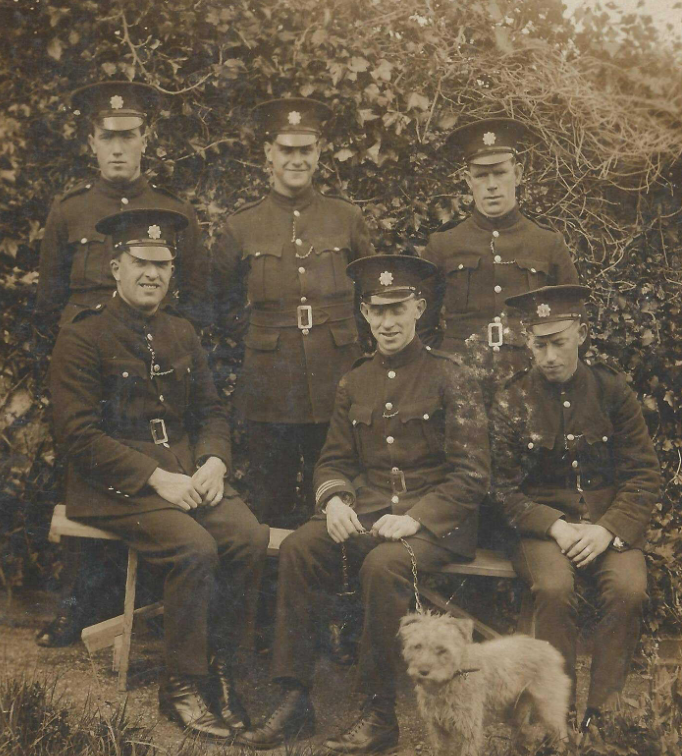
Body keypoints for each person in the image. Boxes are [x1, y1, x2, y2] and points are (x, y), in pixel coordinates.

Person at [236, 254, 490, 753]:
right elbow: (333, 460)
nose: (388, 322)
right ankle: (293, 699)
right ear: (365, 313)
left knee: (381, 566)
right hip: (370, 512)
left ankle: (378, 714)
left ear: (419, 309)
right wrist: (335, 501)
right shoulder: (355, 379)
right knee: (300, 548)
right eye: (378, 311)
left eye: (398, 310)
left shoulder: (450, 376)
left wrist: (416, 518)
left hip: (436, 526)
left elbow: (473, 475)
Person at [48, 208, 269, 739]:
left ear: (173, 270)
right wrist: (156, 477)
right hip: (113, 486)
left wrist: (214, 461)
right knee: (194, 548)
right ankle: (183, 686)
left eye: (163, 264)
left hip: (184, 475)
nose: (152, 274)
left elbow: (211, 411)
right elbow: (78, 437)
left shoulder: (181, 331)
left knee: (247, 535)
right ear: (116, 267)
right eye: (140, 263)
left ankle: (222, 672)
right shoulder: (83, 336)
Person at [35, 80, 211, 648]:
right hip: (89, 371)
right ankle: (75, 609)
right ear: (92, 141)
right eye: (107, 136)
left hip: (152, 371)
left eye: (128, 136)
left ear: (145, 139)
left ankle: (145, 613)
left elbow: (194, 302)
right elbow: (49, 302)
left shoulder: (174, 213)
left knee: (154, 485)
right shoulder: (69, 213)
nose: (118, 147)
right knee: (86, 478)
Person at [489, 285, 660, 734]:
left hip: (608, 523)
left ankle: (603, 717)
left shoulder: (611, 390)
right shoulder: (512, 399)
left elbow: (643, 474)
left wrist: (608, 529)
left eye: (559, 342)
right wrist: (555, 526)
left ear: (581, 334)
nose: (549, 356)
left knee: (628, 589)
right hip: (541, 529)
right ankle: (555, 718)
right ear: (527, 342)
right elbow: (500, 489)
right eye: (539, 344)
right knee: (553, 588)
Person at [211, 97, 374, 527]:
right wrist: (259, 335)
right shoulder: (242, 225)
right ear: (269, 152)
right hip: (270, 390)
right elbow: (217, 300)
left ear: (319, 152)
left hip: (337, 382)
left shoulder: (346, 218)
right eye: (287, 149)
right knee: (271, 506)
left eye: (306, 149)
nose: (297, 159)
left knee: (342, 501)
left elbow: (372, 292)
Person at [421, 117, 579, 406]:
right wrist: (444, 369)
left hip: (531, 385)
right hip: (460, 387)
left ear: (517, 174)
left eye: (500, 173)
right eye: (481, 175)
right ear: (468, 180)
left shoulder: (548, 243)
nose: (491, 185)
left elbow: (573, 325)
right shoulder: (444, 244)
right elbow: (420, 328)